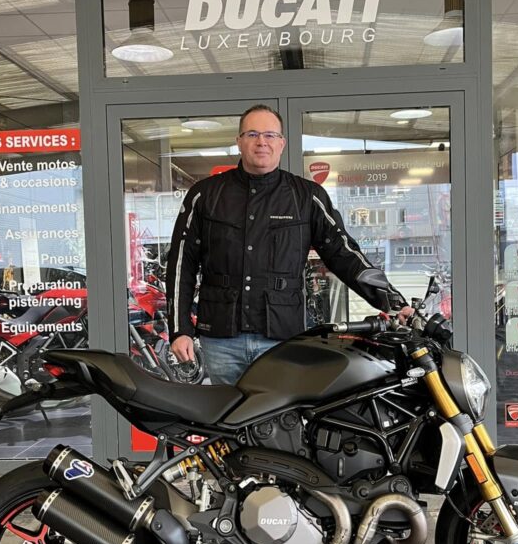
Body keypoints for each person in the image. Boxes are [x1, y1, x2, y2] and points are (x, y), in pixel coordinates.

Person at [166, 104, 404, 385]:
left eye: (270, 135)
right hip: (221, 341)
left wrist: (393, 302)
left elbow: (344, 253)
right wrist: (180, 329)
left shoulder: (307, 197)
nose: (261, 142)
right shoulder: (205, 195)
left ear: (282, 143)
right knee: (227, 414)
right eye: (252, 134)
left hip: (282, 339)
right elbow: (181, 265)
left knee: (285, 414)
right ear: (239, 141)